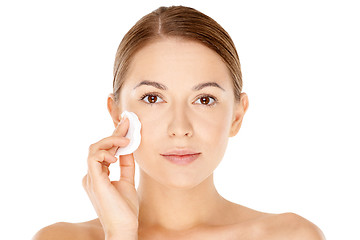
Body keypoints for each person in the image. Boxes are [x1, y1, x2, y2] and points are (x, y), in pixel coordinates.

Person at [33, 5, 325, 240]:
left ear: (237, 115)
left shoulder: (291, 236)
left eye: (205, 99)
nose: (180, 128)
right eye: (152, 98)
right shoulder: (58, 238)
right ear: (117, 113)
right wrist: (120, 234)